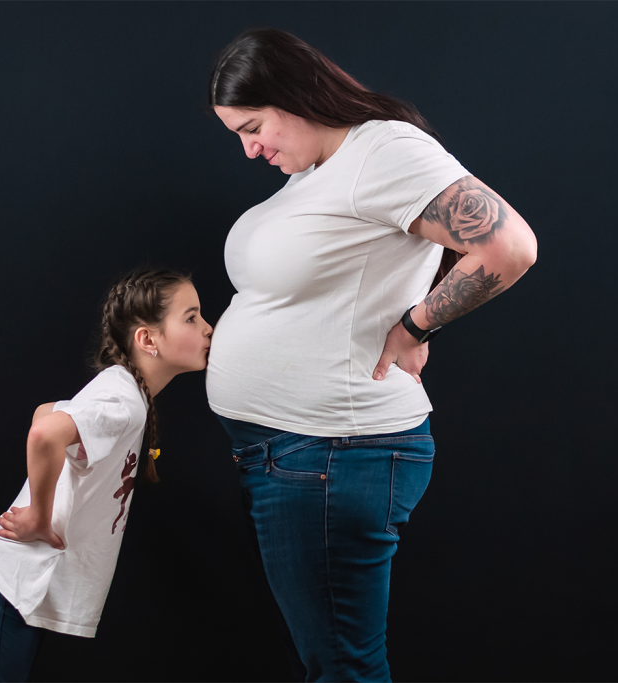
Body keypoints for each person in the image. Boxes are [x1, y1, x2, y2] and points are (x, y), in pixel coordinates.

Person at [205, 29, 539, 681]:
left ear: (292, 94)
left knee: (342, 667)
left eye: (252, 126)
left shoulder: (383, 149)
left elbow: (511, 246)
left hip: (337, 453)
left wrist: (417, 325)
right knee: (333, 662)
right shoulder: (317, 172)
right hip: (298, 455)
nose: (249, 150)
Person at [0, 268, 213, 682]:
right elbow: (44, 431)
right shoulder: (124, 399)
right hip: (12, 584)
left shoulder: (122, 390)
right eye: (191, 318)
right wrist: (40, 517)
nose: (207, 328)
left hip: (14, 585)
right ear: (148, 340)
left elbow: (47, 412)